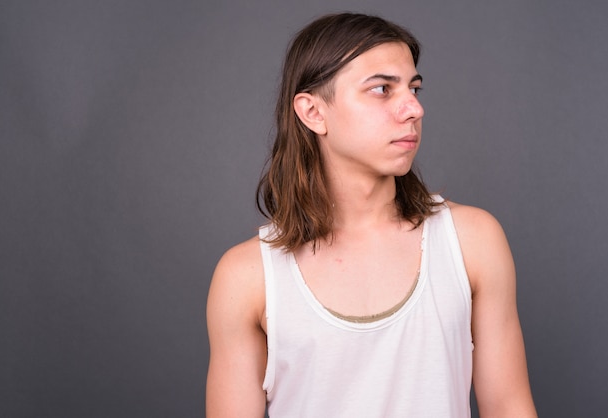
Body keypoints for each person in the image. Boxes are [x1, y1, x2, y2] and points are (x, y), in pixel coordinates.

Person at [206, 12, 537, 417]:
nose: (414, 108)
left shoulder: (472, 241)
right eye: (382, 89)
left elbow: (508, 407)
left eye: (414, 88)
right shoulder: (247, 277)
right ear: (313, 113)